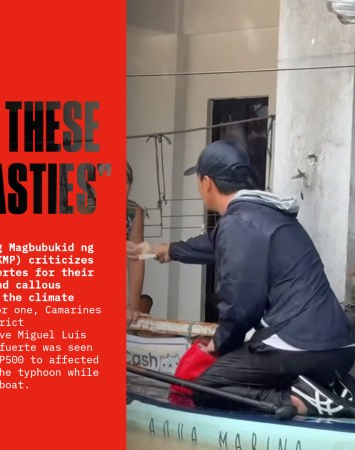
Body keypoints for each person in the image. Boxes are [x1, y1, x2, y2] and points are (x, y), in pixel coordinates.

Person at [138, 139, 355, 417]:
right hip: (339, 348)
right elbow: (213, 243)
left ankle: (297, 401)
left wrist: (221, 343)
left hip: (301, 345)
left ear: (206, 182)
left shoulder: (238, 223)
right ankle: (336, 389)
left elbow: (241, 307)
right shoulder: (264, 213)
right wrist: (168, 250)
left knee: (205, 388)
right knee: (243, 363)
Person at [126, 162, 145, 324]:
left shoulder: (133, 211)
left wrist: (133, 307)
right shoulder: (85, 208)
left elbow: (136, 257)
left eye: (125, 182)